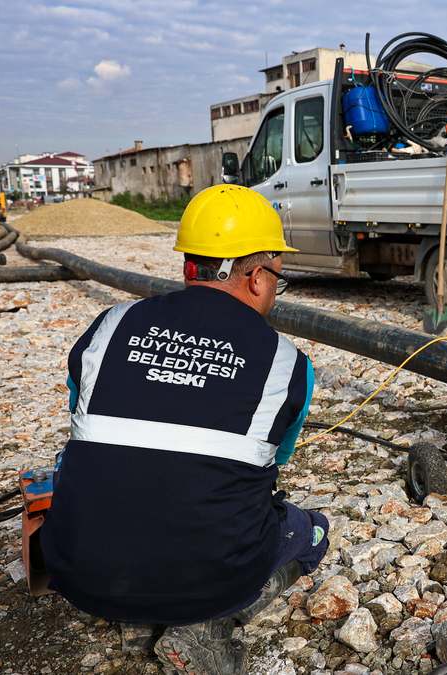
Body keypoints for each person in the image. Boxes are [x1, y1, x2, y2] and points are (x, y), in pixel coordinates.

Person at [41, 184, 327, 675]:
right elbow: (267, 466)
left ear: (188, 267)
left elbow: (82, 424)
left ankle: (135, 616)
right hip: (211, 580)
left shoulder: (110, 325)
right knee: (314, 532)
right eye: (279, 274)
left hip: (80, 574)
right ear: (257, 277)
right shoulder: (285, 364)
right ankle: (206, 628)